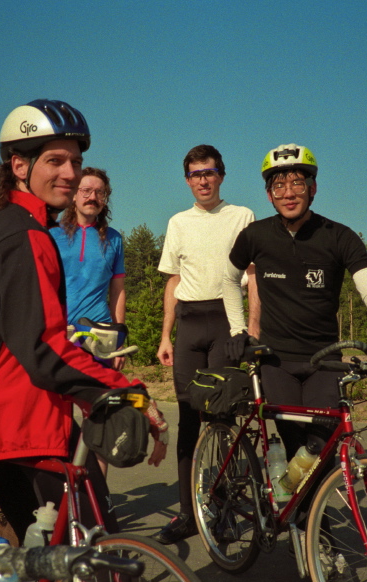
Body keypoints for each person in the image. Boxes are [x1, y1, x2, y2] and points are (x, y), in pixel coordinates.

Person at [0, 99, 168, 545]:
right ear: (19, 165)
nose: (70, 172)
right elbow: (43, 346)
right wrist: (128, 392)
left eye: (76, 161)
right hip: (11, 424)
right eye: (55, 160)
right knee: (94, 544)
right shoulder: (25, 237)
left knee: (40, 557)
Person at [222, 143, 367, 476]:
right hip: (276, 359)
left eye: (297, 183)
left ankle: (308, 517)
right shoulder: (255, 236)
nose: (289, 193)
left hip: (324, 358)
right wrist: (237, 330)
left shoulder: (339, 236)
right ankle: (303, 521)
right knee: (293, 443)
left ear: (312, 189)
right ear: (269, 194)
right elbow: (228, 279)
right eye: (279, 185)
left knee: (319, 443)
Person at [152, 144, 255, 545]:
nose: (203, 180)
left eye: (209, 172)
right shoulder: (178, 222)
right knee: (188, 418)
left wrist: (248, 328)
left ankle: (225, 511)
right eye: (195, 174)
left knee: (224, 421)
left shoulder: (241, 216)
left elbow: (252, 274)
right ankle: (187, 514)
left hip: (227, 323)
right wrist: (165, 335)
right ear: (187, 180)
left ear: (221, 176)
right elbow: (173, 282)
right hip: (190, 326)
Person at [50, 167, 127, 371]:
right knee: (58, 401)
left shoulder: (114, 239)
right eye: (86, 190)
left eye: (99, 193)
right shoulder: (51, 234)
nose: (92, 197)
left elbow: (118, 290)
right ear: (74, 194)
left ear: (104, 199)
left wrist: (119, 340)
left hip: (98, 334)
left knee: (97, 398)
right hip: (58, 333)